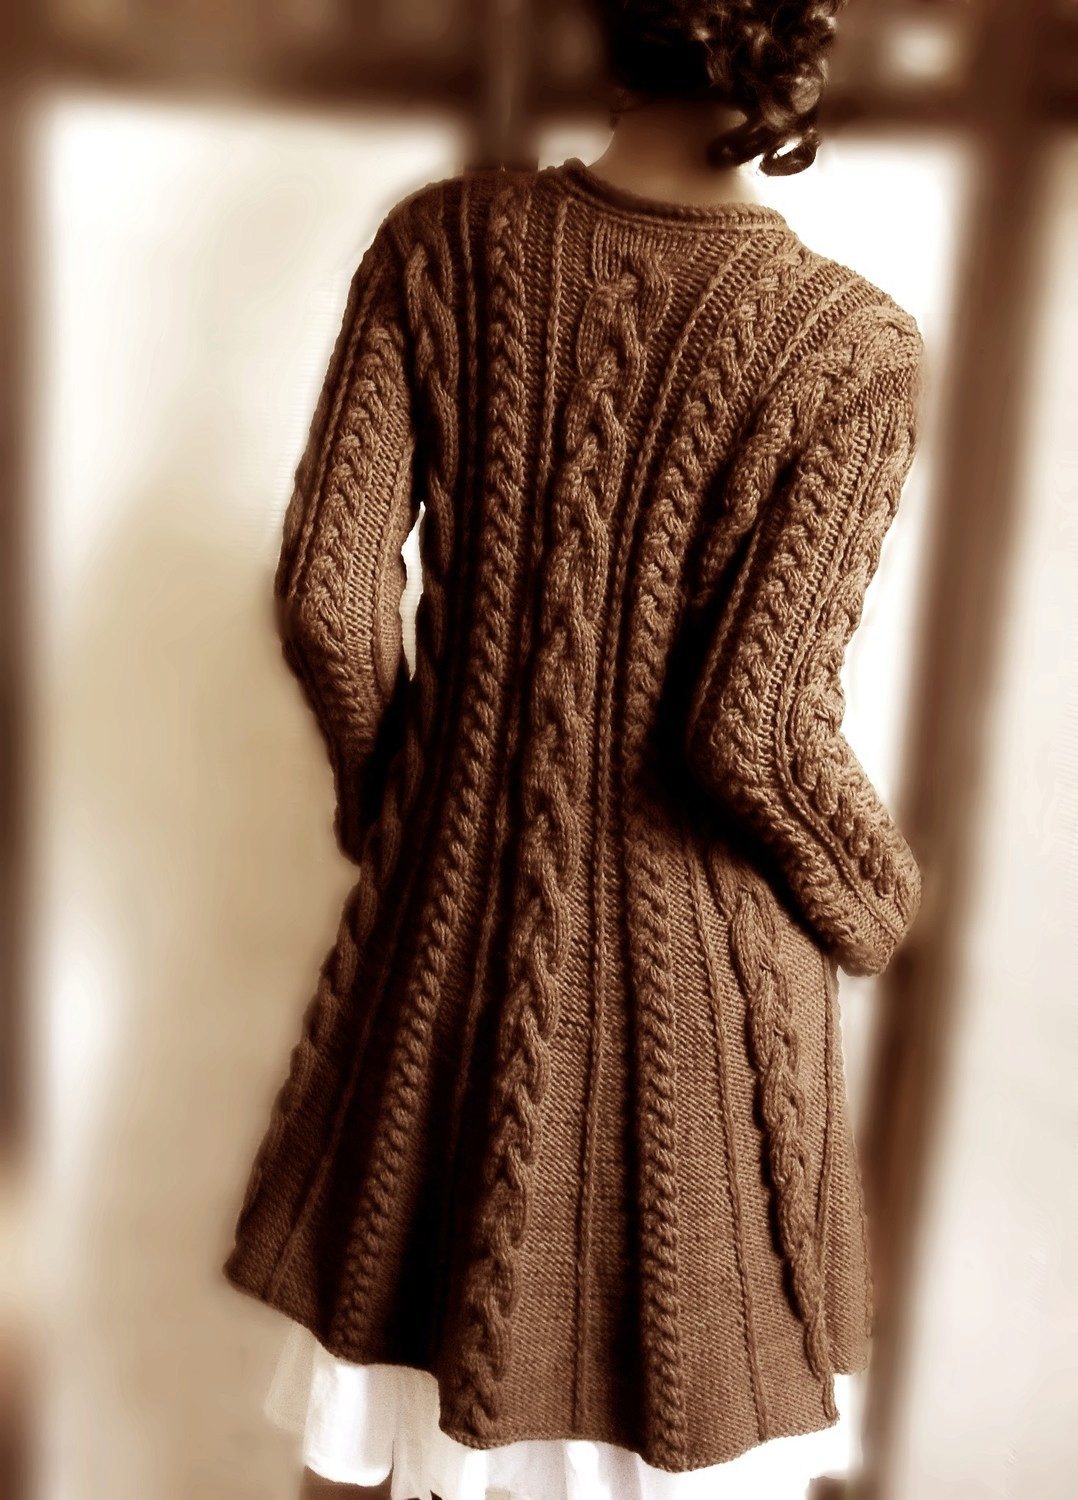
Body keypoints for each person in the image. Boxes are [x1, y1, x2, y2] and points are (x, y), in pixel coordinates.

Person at [221, 2, 928, 1496]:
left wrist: (410, 810)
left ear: (610, 32)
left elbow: (332, 600)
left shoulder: (440, 244)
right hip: (699, 1036)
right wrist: (877, 901)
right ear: (800, 58)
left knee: (395, 1438)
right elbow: (753, 732)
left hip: (444, 978)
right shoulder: (848, 346)